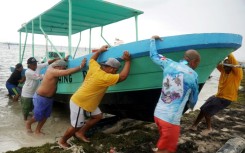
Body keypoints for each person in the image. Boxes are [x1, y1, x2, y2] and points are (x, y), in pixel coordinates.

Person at [58, 45, 131, 149]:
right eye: (115, 70)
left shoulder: (96, 68)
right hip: (80, 102)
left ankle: (80, 133)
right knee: (76, 125)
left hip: (88, 101)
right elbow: (123, 76)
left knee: (98, 116)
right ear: (110, 68)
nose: (116, 72)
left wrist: (100, 50)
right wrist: (128, 61)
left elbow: (92, 59)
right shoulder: (105, 77)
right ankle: (62, 141)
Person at [150, 35, 200, 153]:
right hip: (170, 120)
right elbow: (194, 98)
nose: (197, 65)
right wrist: (191, 107)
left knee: (163, 141)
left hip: (157, 115)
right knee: (165, 150)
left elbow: (153, 55)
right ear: (194, 61)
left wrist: (152, 40)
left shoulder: (168, 63)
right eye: (198, 63)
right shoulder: (193, 75)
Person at [25, 57, 87, 135]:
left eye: (65, 68)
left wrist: (63, 60)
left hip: (49, 98)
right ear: (58, 67)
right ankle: (28, 123)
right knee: (38, 116)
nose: (64, 69)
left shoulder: (52, 67)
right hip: (41, 97)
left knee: (45, 116)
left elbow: (57, 63)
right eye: (63, 68)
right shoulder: (52, 71)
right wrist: (80, 66)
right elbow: (67, 72)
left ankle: (37, 130)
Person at [189, 53, 243, 135]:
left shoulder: (237, 74)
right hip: (218, 96)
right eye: (224, 66)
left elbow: (232, 59)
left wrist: (227, 52)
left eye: (227, 66)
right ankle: (194, 125)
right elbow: (216, 62)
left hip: (226, 99)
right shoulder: (223, 71)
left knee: (207, 112)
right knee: (203, 108)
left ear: (232, 66)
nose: (225, 68)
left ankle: (209, 128)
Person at [21, 57, 58, 121]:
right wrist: (52, 73)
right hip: (27, 93)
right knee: (26, 109)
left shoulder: (37, 66)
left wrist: (55, 60)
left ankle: (33, 120)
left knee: (35, 108)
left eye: (35, 63)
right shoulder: (28, 72)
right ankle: (25, 120)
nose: (35, 65)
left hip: (35, 92)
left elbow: (46, 63)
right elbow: (40, 77)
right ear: (29, 65)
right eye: (33, 64)